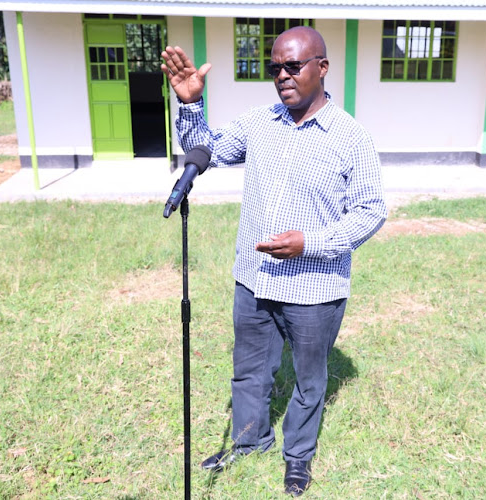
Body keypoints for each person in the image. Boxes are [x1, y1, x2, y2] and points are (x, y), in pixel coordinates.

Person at [161, 26, 386, 497]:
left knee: (308, 381)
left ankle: (297, 458)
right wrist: (188, 104)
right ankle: (248, 443)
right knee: (249, 371)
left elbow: (371, 211)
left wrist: (311, 242)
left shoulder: (351, 137)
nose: (282, 76)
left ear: (322, 68)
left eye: (293, 66)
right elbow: (207, 149)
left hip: (314, 288)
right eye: (274, 68)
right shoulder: (260, 123)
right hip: (255, 279)